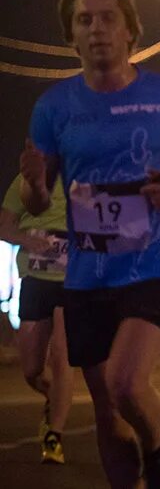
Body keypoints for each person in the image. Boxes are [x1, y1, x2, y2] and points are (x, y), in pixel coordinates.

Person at [20, 0, 160, 486]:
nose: (96, 29)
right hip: (89, 272)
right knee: (107, 413)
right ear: (71, 36)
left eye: (107, 18)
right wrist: (33, 184)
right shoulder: (53, 106)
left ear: (130, 30)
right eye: (84, 20)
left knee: (126, 383)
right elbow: (36, 200)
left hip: (153, 263)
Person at [0, 174, 73, 464]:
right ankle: (51, 398)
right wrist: (27, 240)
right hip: (34, 278)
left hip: (71, 280)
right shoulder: (26, 181)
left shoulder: (79, 175)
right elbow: (4, 227)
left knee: (61, 356)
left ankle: (55, 434)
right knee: (31, 368)